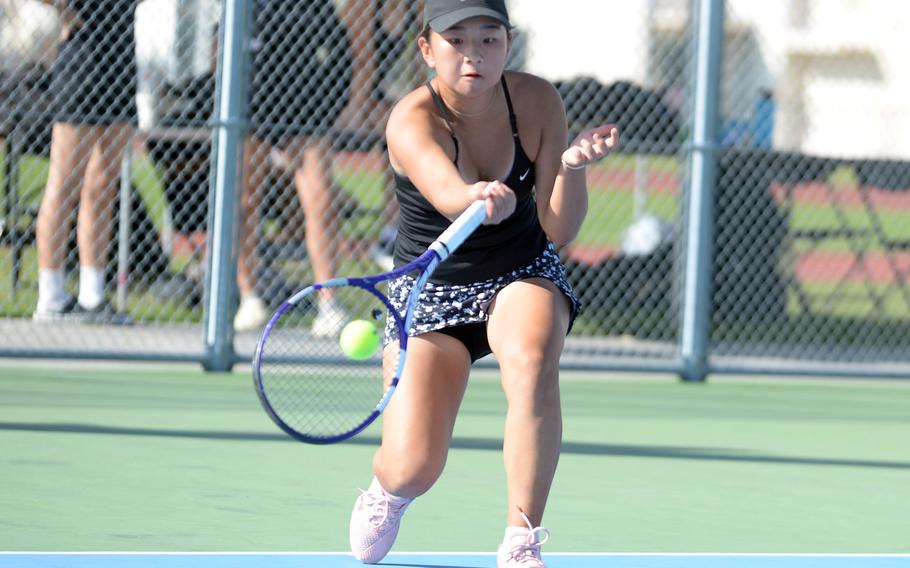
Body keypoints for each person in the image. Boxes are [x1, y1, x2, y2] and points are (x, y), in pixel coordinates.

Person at [347, 1, 619, 567]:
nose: (474, 54)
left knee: (532, 358)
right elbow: (447, 192)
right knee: (413, 465)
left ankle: (521, 539)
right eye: (457, 40)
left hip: (520, 270)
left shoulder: (538, 100)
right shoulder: (411, 119)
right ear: (426, 49)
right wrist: (473, 196)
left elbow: (559, 229)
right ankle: (387, 491)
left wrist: (570, 167)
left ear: (508, 43)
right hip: (431, 288)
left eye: (489, 39)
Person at [233, 0, 353, 334]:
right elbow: (222, 52)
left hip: (306, 115)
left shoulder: (316, 7)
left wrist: (327, 110)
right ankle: (248, 298)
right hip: (251, 113)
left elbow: (341, 55)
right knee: (244, 201)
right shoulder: (244, 7)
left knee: (322, 204)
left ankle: (328, 304)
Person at [33, 0, 139, 323]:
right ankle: (50, 297)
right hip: (82, 60)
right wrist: (64, 11)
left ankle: (92, 295)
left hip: (120, 63)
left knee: (103, 185)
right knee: (64, 183)